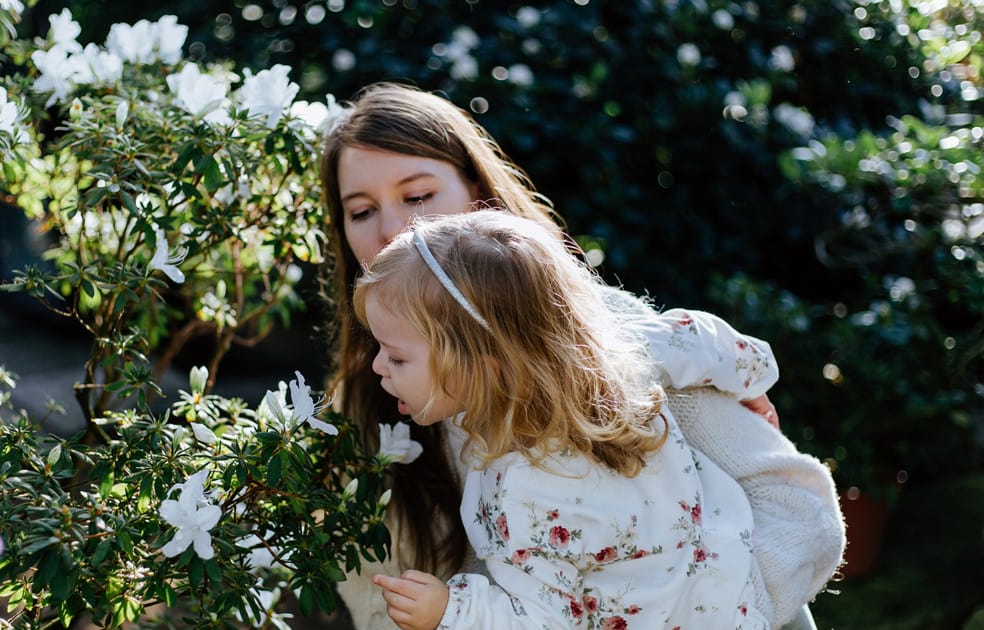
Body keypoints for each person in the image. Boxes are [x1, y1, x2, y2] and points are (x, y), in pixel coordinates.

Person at [319, 82, 843, 629]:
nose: (394, 229)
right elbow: (379, 606)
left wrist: (726, 612)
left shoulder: (606, 348)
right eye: (361, 210)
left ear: (477, 192)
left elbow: (797, 510)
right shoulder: (361, 410)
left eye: (419, 196)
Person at [356, 210, 769, 628]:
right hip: (731, 589)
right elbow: (698, 337)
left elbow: (546, 620)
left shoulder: (523, 487)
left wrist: (451, 610)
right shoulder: (620, 352)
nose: (378, 367)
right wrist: (753, 379)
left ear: (483, 367)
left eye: (397, 356)